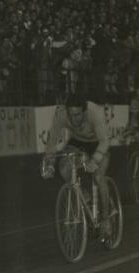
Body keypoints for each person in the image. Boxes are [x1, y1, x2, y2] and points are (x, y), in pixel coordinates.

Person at [43, 93, 112, 235]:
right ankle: (85, 195)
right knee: (64, 168)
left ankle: (106, 219)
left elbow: (105, 141)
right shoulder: (62, 114)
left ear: (85, 111)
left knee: (99, 177)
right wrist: (49, 162)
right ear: (67, 111)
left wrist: (95, 160)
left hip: (98, 143)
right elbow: (52, 140)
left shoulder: (95, 113)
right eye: (71, 115)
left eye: (78, 115)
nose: (74, 119)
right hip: (77, 142)